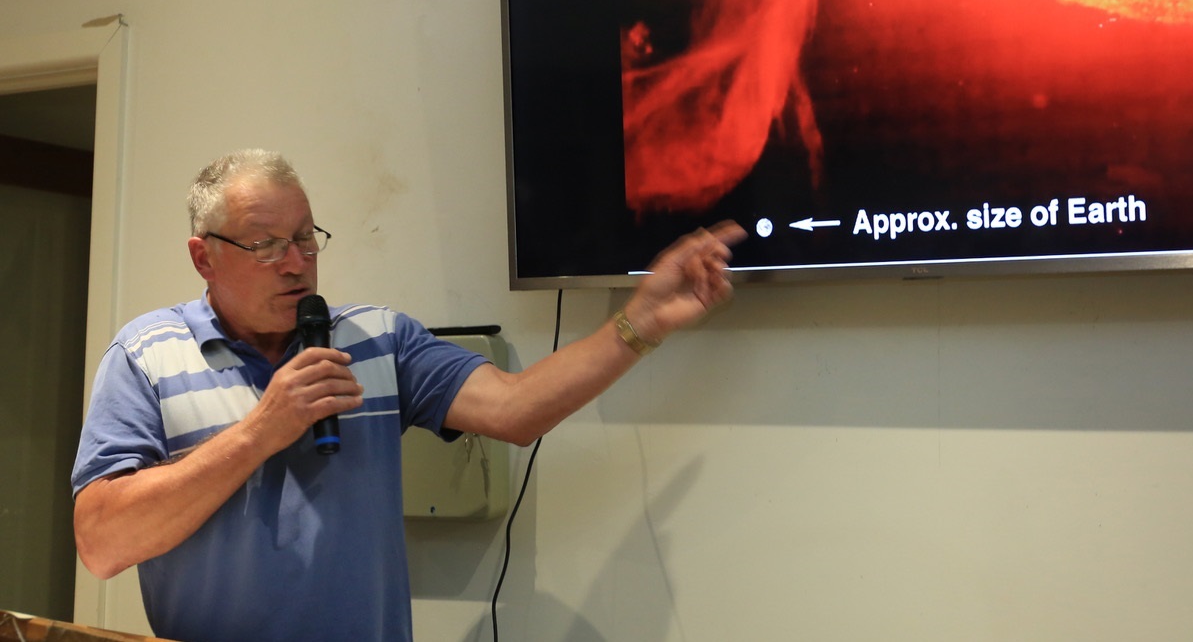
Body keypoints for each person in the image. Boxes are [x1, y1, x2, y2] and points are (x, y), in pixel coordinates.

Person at [71, 149, 745, 642]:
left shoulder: (377, 339)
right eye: (265, 245)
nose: (297, 263)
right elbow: (102, 543)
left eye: (305, 237)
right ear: (204, 257)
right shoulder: (145, 356)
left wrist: (640, 322)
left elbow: (516, 410)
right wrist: (259, 433)